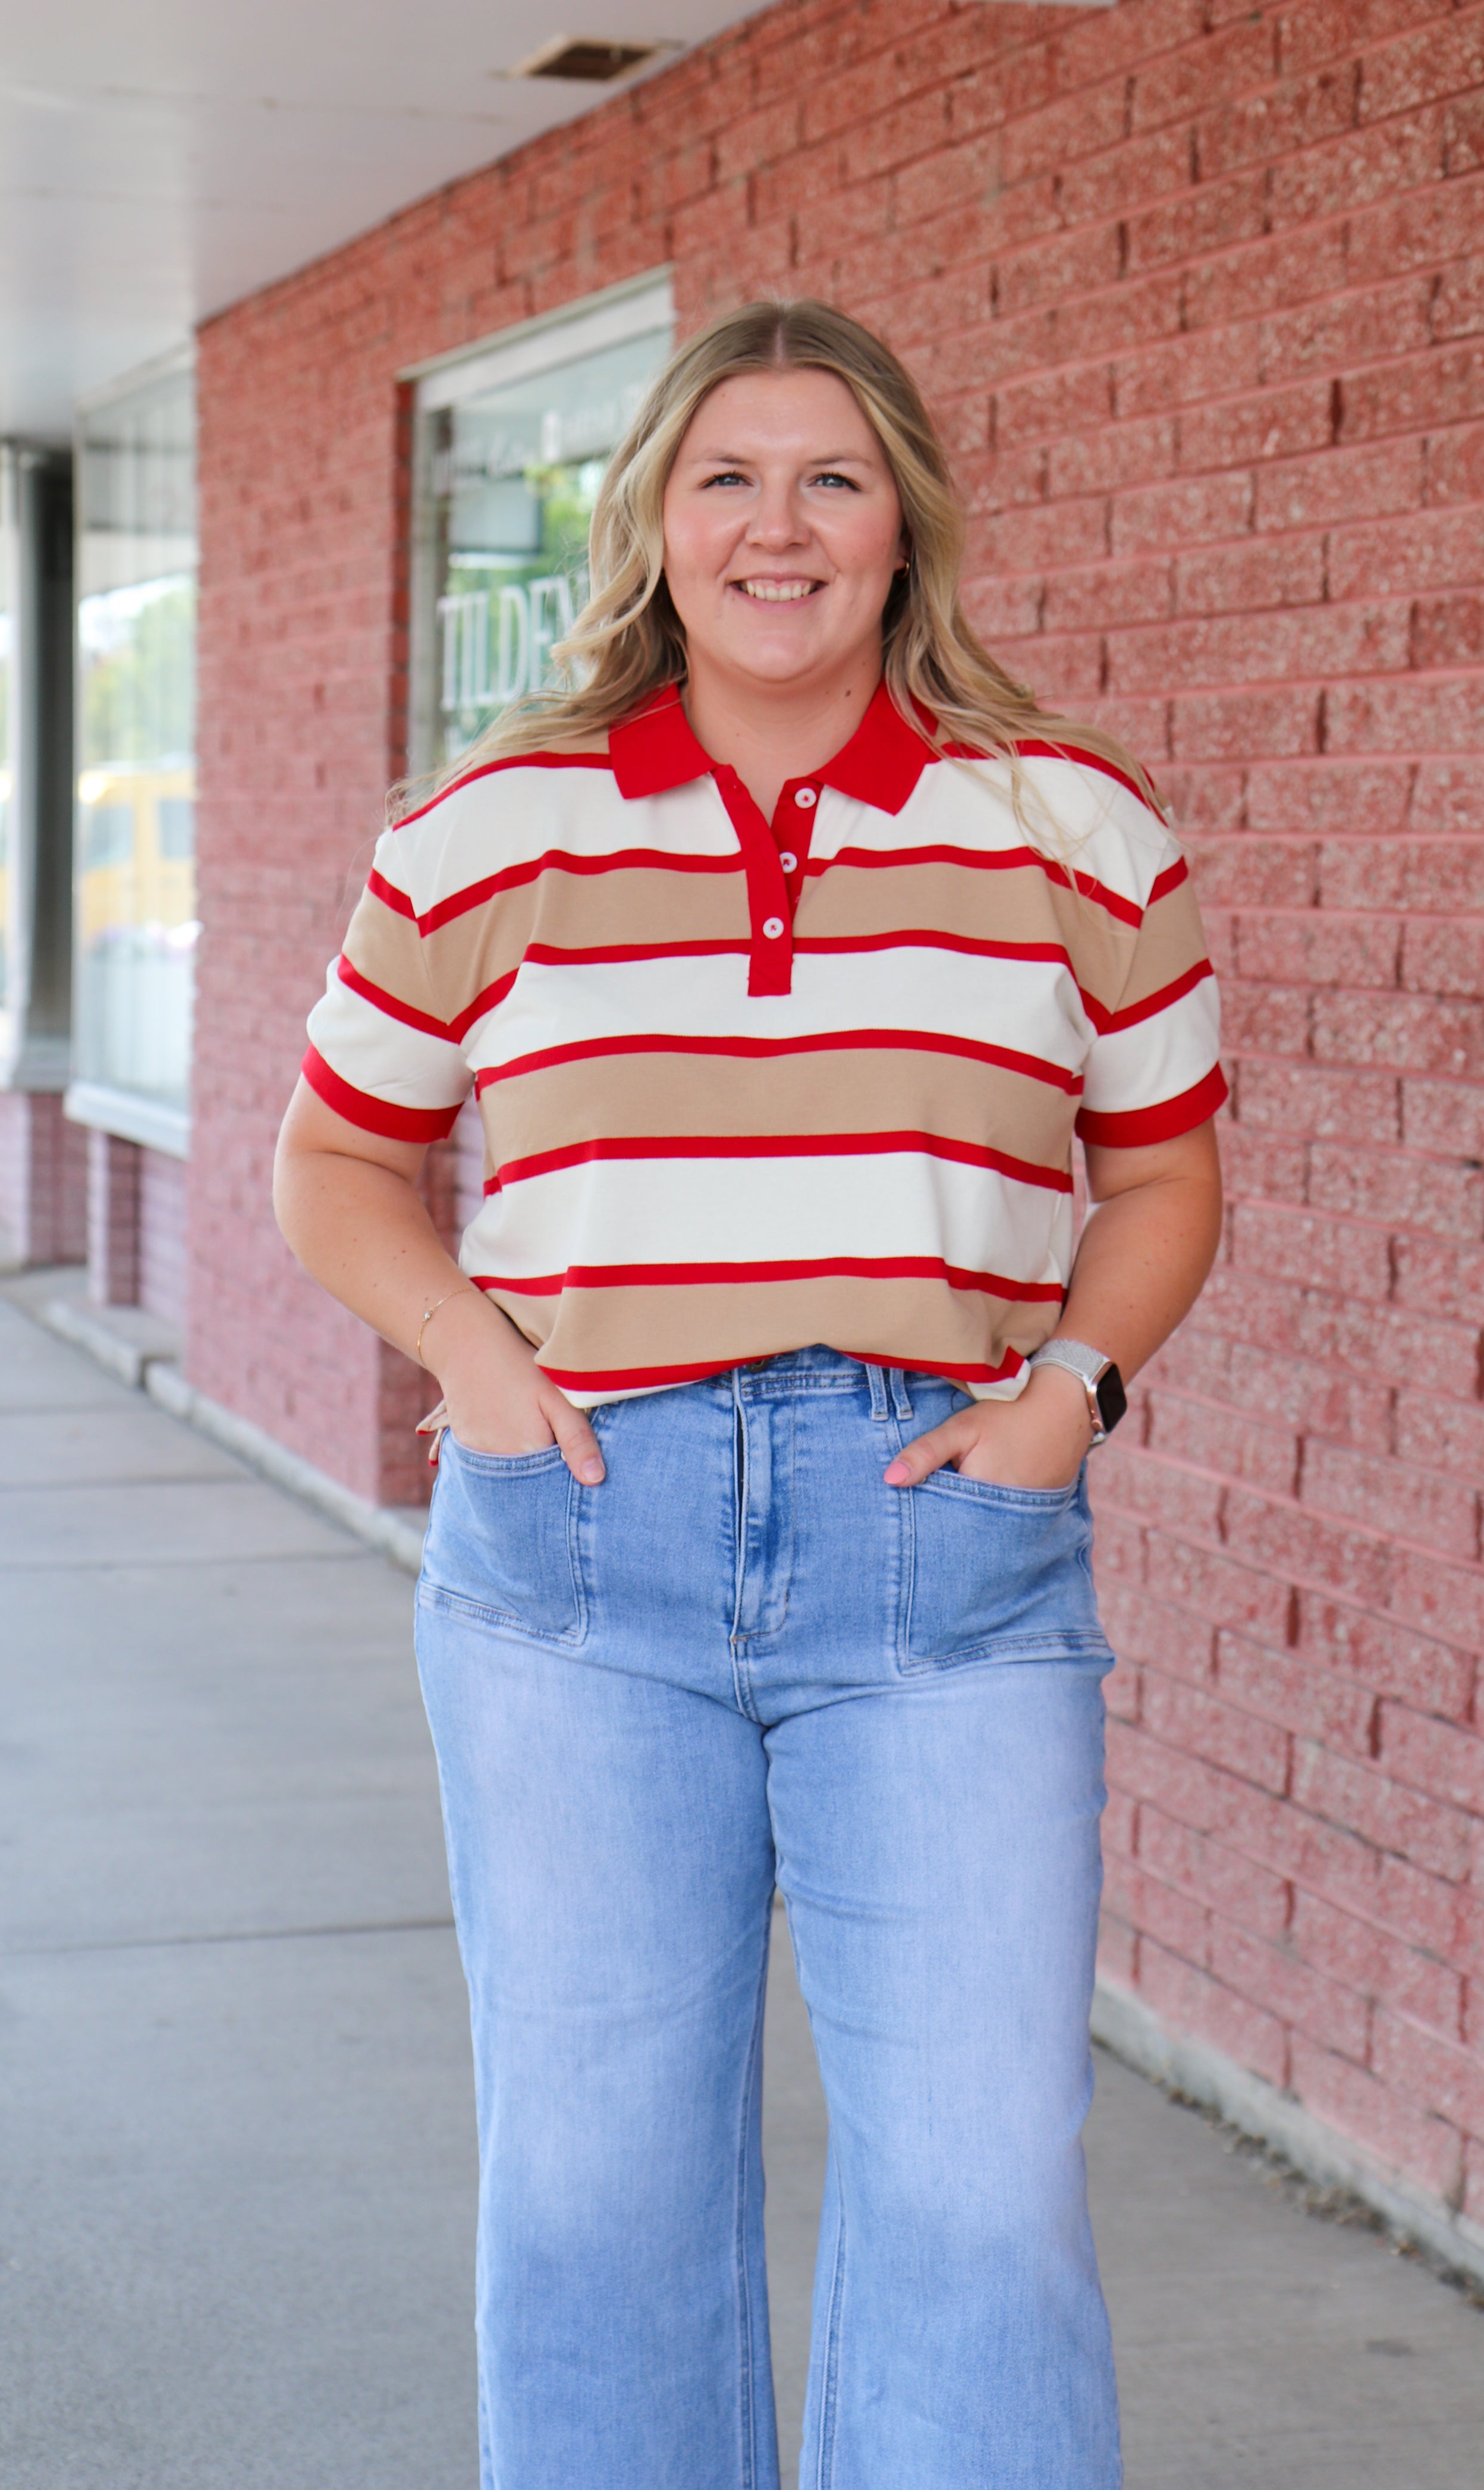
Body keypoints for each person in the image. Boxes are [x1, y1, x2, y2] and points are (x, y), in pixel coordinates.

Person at [274, 298, 1224, 2490]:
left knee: (982, 2199)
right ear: (653, 523)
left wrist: (1074, 1386)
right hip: (580, 1548)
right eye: (727, 475)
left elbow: (1164, 1174)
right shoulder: (494, 828)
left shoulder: (1069, 822)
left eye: (832, 478)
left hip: (949, 1545)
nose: (776, 525)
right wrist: (478, 1364)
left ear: (906, 527)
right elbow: (336, 1159)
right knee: (596, 2200)